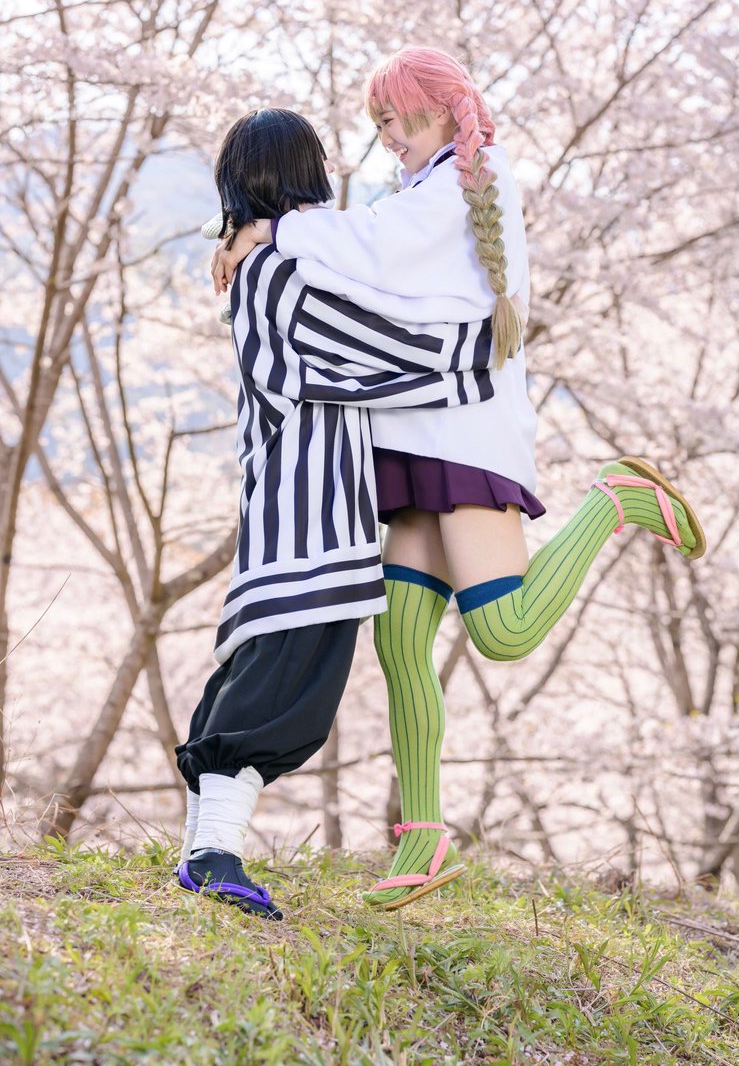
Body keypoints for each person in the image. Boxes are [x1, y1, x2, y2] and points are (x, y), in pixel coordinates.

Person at [212, 47, 706, 911]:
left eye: (391, 120)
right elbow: (361, 272)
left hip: (464, 438)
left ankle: (615, 498)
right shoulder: (423, 189)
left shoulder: (468, 183)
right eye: (377, 124)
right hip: (410, 441)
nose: (384, 138)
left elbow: (374, 249)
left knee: (504, 630)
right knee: (402, 639)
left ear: (436, 111)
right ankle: (424, 837)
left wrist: (270, 230)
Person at [177, 107, 501, 920]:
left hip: (300, 514)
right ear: (299, 174)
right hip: (309, 524)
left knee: (268, 677)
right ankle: (211, 857)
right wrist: (483, 343)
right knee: (283, 690)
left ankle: (204, 852)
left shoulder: (267, 264)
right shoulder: (276, 273)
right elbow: (372, 345)